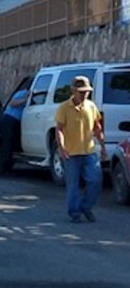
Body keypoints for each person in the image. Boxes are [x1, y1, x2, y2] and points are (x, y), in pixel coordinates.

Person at [54, 75, 105, 223]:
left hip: (89, 152)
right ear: (73, 91)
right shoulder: (64, 108)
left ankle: (86, 206)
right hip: (71, 153)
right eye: (81, 91)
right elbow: (59, 130)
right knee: (73, 185)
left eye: (87, 91)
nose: (84, 94)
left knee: (96, 180)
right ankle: (75, 212)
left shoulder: (91, 106)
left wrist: (102, 146)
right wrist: (62, 148)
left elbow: (97, 127)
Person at [0, 83, 30, 175]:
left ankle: (5, 168)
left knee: (11, 146)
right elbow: (12, 103)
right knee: (6, 145)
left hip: (16, 122)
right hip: (9, 120)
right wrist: (25, 99)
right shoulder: (23, 93)